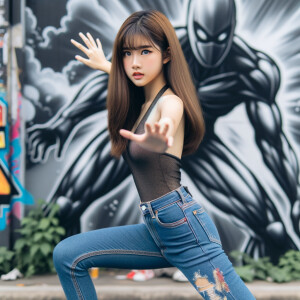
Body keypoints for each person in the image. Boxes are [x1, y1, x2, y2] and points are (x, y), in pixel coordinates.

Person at [53, 10, 256, 300]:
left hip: (184, 229)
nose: (134, 62)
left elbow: (170, 119)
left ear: (166, 55)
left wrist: (160, 139)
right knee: (67, 255)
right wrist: (106, 66)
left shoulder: (170, 102)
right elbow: (129, 76)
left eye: (145, 51)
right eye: (127, 53)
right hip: (157, 228)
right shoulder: (145, 98)